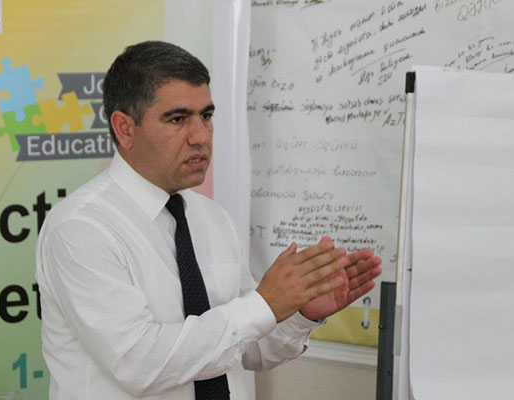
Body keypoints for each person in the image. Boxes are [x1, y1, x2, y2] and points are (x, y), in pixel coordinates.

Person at [35, 41, 382, 400]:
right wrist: (264, 304)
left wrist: (301, 313)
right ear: (125, 128)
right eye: (177, 119)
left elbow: (248, 349)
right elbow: (137, 364)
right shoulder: (81, 228)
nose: (200, 136)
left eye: (206, 116)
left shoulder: (212, 218)